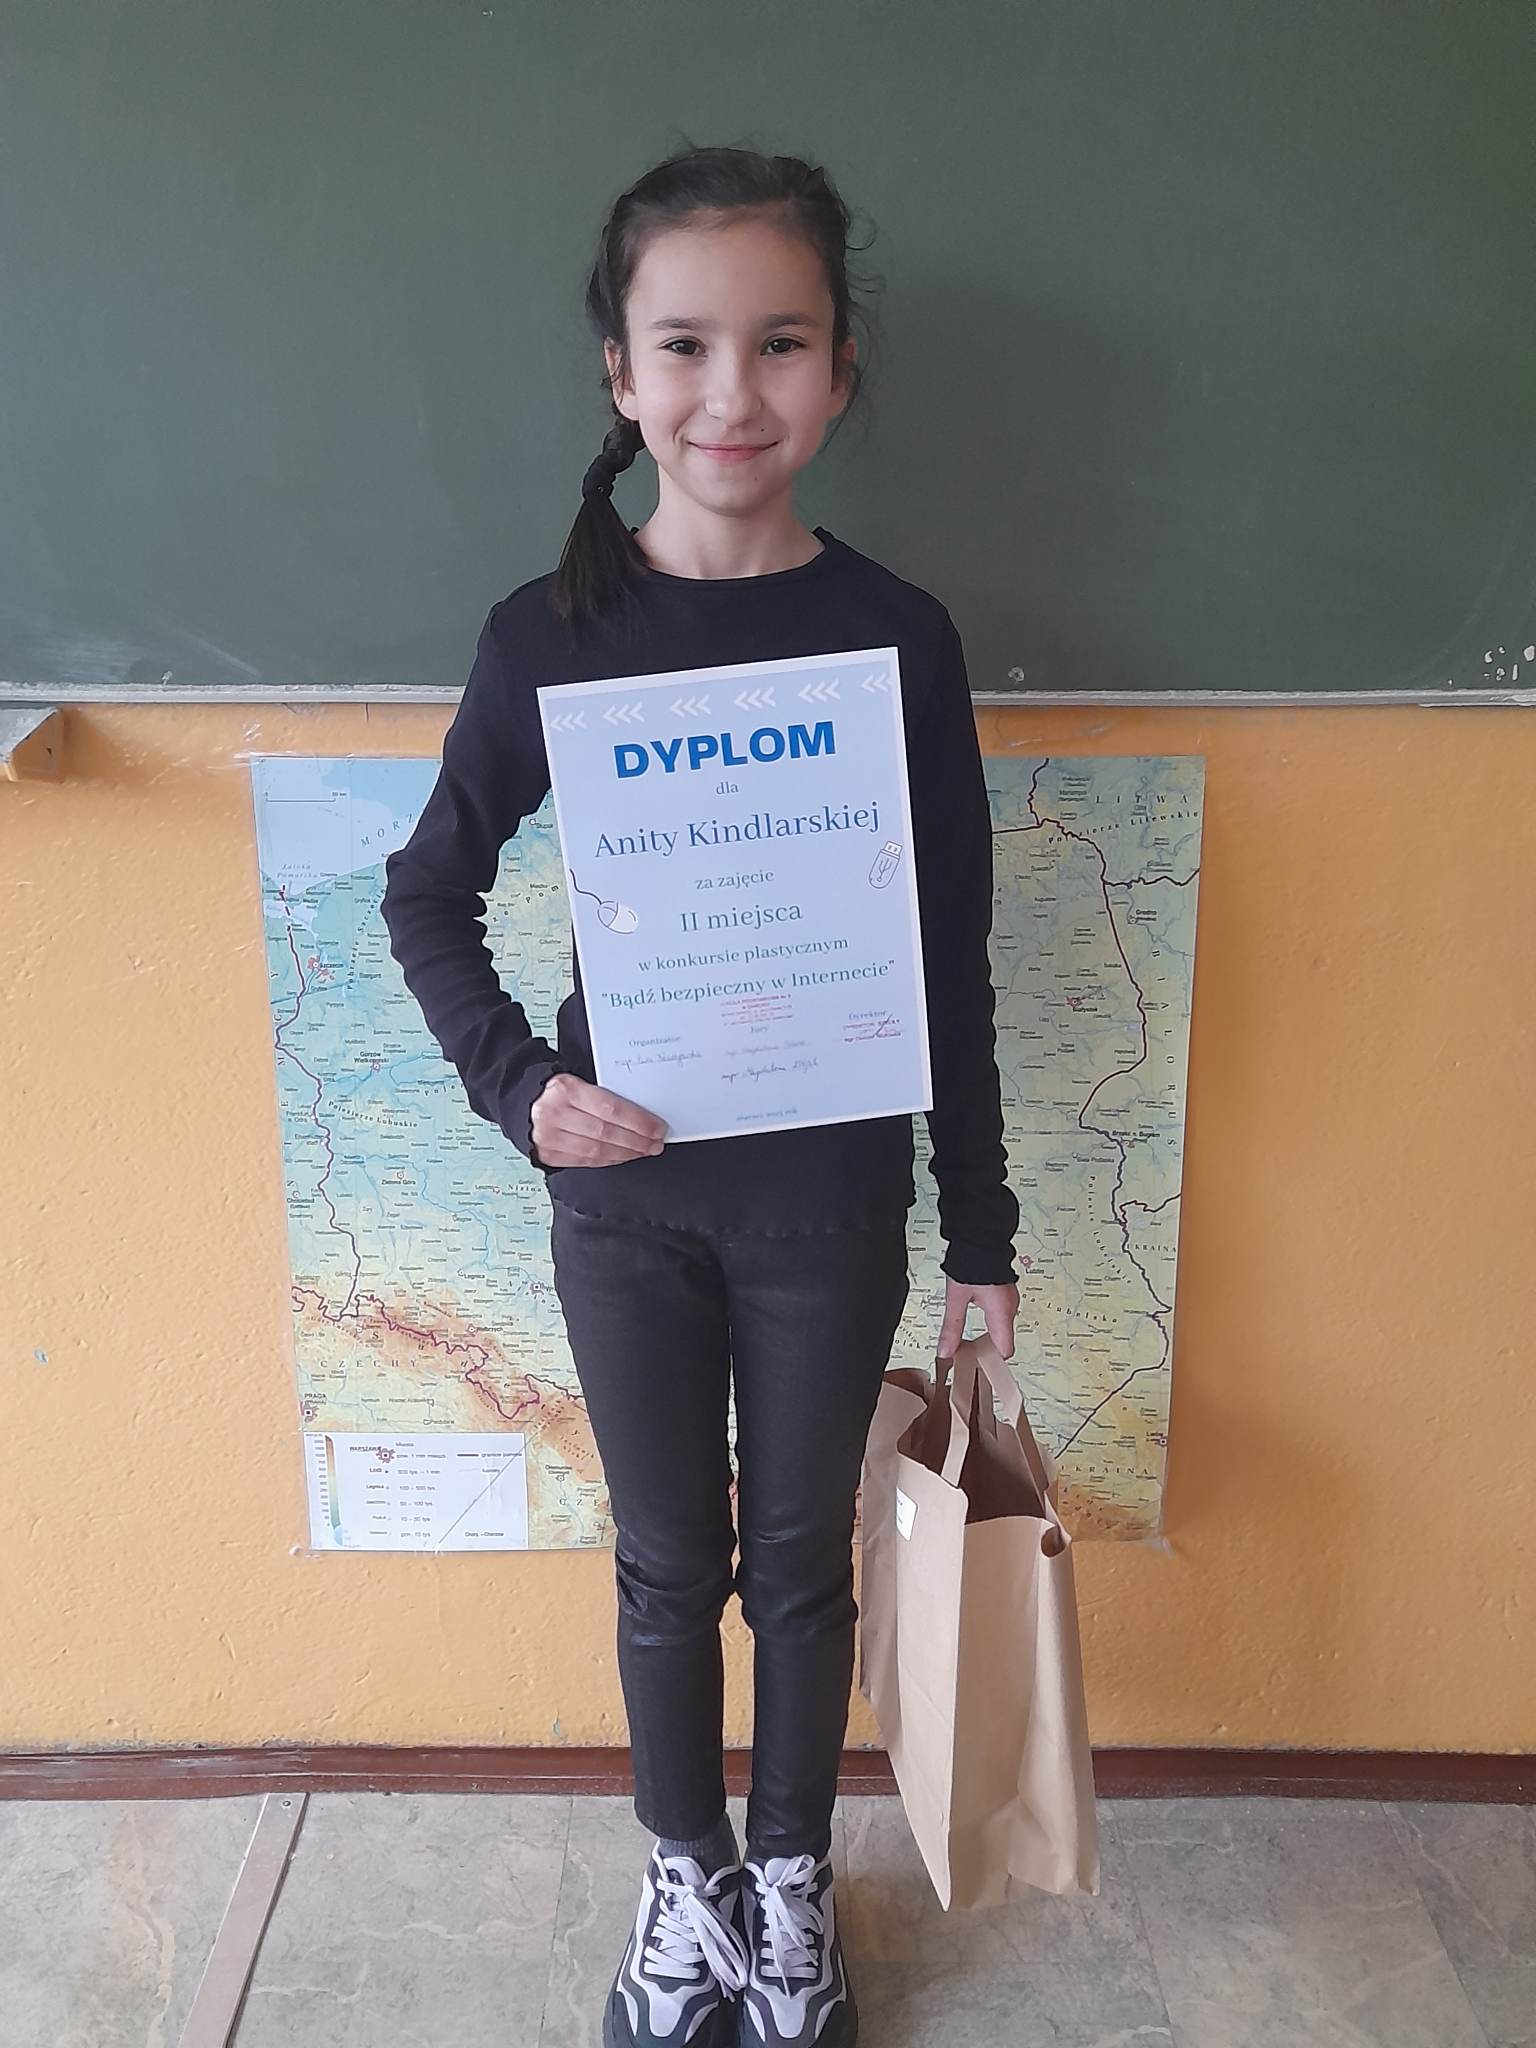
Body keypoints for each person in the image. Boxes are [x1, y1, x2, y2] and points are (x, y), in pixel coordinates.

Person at [380, 142, 1020, 2048]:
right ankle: (687, 1880)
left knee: (801, 1568)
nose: (732, 392)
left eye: (781, 343)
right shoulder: (549, 634)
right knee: (667, 1567)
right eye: (685, 345)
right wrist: (522, 1089)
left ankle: (794, 1882)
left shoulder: (897, 636)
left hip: (830, 1202)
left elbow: (951, 953)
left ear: (840, 372)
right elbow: (425, 893)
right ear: (621, 373)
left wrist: (982, 1232)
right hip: (631, 1201)